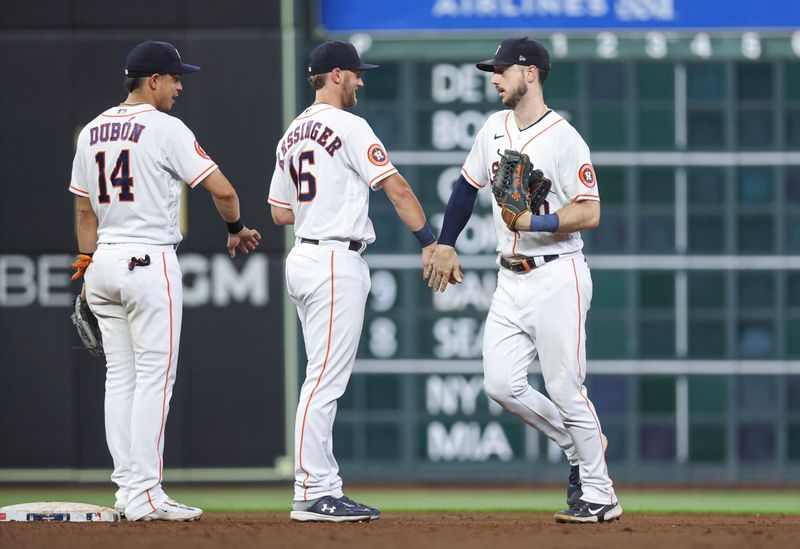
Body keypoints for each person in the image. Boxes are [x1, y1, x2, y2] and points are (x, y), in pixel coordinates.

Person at [424, 37, 621, 524]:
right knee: (501, 385)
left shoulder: (564, 137)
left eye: (501, 70)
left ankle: (601, 494)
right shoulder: (492, 129)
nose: (493, 78)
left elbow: (591, 211)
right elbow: (466, 188)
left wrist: (537, 223)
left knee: (565, 387)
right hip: (509, 280)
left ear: (529, 73)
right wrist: (446, 241)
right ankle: (582, 446)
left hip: (558, 274)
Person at [68, 40, 261, 522]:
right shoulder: (164, 127)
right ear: (152, 80)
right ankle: (147, 494)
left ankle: (126, 489)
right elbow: (223, 189)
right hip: (148, 261)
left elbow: (82, 206)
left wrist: (86, 260)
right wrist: (236, 229)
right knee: (155, 379)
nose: (179, 86)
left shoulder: (92, 130)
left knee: (120, 380)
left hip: (103, 264)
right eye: (175, 78)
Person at [268, 40, 437, 523]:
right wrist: (428, 240)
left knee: (319, 378)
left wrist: (321, 202)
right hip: (335, 261)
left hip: (304, 256)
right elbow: (396, 187)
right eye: (357, 74)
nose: (361, 81)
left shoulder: (293, 132)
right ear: (336, 74)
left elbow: (280, 211)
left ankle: (320, 485)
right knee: (324, 381)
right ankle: (312, 491)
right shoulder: (350, 125)